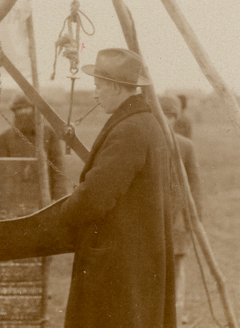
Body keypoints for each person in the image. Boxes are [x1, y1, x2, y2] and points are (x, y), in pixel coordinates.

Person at [59, 48, 176, 327]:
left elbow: (94, 199)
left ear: (114, 86)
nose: (95, 93)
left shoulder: (130, 129)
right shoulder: (146, 123)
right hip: (137, 260)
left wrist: (65, 213)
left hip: (118, 266)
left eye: (98, 86)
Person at [160, 95, 202, 325]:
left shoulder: (185, 146)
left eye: (171, 116)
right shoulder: (146, 142)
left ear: (176, 118)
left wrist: (195, 221)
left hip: (177, 219)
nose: (166, 120)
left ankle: (176, 314)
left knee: (176, 270)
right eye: (162, 115)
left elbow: (194, 185)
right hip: (152, 220)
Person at [0, 95, 68, 200]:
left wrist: (60, 199)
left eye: (27, 108)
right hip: (15, 196)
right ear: (14, 112)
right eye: (19, 109)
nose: (24, 112)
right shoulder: (4, 138)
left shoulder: (48, 134)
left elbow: (58, 169)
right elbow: (0, 173)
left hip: (43, 197)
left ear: (34, 110)